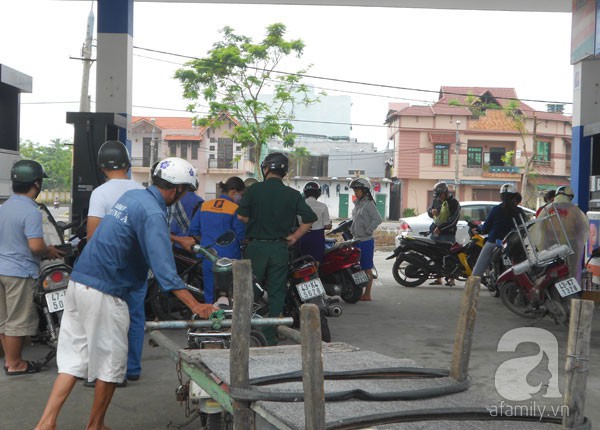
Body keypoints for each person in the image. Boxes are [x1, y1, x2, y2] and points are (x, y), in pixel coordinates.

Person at [35, 157, 216, 430]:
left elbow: (137, 234)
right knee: (111, 364)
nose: (182, 198)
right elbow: (166, 273)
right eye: (185, 192)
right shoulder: (154, 213)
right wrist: (196, 305)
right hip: (105, 291)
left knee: (73, 360)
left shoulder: (133, 198)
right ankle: (95, 425)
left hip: (79, 283)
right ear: (176, 189)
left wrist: (179, 241)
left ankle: (46, 423)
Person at [237, 152, 317, 346]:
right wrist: (295, 237)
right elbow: (309, 218)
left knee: (249, 291)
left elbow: (241, 216)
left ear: (266, 169)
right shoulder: (292, 194)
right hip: (280, 248)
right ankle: (270, 336)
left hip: (256, 248)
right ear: (284, 172)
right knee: (276, 292)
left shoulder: (254, 190)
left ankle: (245, 332)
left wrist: (258, 222)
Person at [86, 140, 144, 385]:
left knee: (108, 318)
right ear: (128, 164)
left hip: (108, 268)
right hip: (136, 264)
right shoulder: (141, 191)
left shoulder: (100, 193)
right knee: (135, 316)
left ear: (101, 167)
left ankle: (111, 370)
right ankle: (132, 367)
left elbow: (92, 235)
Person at [0, 160, 64, 376]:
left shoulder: (4, 207)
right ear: (36, 184)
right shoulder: (31, 211)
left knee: (5, 320)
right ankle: (16, 363)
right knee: (18, 320)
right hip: (19, 272)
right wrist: (50, 251)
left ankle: (10, 360)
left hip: (1, 269)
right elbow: (36, 246)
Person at [187, 177, 246, 304]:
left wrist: (206, 241)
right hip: (230, 258)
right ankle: (230, 318)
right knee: (232, 293)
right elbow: (241, 236)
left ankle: (210, 317)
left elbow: (193, 231)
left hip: (207, 254)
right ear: (234, 191)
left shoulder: (204, 205)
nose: (241, 198)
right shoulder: (235, 209)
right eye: (241, 194)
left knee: (209, 290)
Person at [471, 183, 526, 277]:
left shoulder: (496, 209)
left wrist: (479, 229)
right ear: (514, 196)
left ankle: (472, 286)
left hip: (494, 242)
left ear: (501, 196)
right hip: (514, 244)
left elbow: (486, 228)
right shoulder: (519, 211)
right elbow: (524, 228)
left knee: (478, 269)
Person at [349, 178, 383, 301]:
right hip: (356, 239)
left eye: (357, 190)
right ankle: (359, 291)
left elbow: (378, 219)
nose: (355, 192)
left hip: (366, 241)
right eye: (354, 190)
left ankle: (367, 294)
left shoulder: (369, 204)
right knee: (357, 267)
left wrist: (368, 230)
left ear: (364, 190)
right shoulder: (358, 203)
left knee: (366, 267)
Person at [427, 181, 461, 286]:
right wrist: (431, 212)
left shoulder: (454, 203)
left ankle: (451, 279)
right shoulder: (436, 200)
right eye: (437, 196)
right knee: (435, 255)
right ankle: (438, 278)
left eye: (440, 195)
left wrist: (441, 228)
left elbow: (453, 220)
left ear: (445, 193)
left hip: (448, 234)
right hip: (435, 233)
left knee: (450, 256)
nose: (439, 198)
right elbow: (429, 211)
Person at [298, 182, 332, 265]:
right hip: (317, 238)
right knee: (316, 264)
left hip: (303, 237)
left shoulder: (299, 205)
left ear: (305, 192)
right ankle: (316, 277)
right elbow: (327, 225)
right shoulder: (322, 206)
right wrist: (329, 226)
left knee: (305, 264)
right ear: (318, 193)